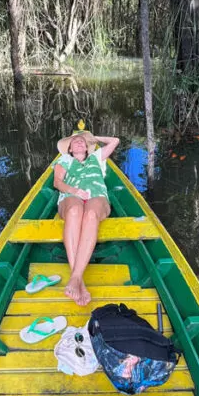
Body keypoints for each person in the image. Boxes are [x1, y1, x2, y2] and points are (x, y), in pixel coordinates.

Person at [53, 130, 120, 306]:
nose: (79, 143)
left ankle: (75, 277)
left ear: (88, 146)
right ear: (69, 148)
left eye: (82, 141)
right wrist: (75, 191)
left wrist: (93, 138)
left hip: (97, 197)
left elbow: (115, 140)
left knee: (90, 215)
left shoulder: (97, 157)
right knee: (75, 211)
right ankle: (78, 280)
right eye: (75, 141)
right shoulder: (64, 160)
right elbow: (57, 183)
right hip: (70, 197)